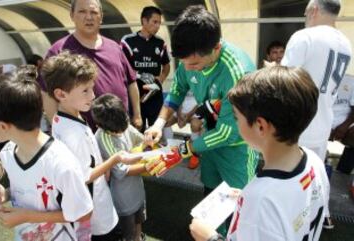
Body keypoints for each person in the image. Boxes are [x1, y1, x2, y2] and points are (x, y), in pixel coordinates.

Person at [190, 66, 329, 241]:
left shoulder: (260, 200)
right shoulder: (314, 161)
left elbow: (268, 205)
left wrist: (209, 237)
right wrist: (246, 197)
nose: (235, 124)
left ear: (260, 126)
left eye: (236, 117)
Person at [145, 4, 257, 211]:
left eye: (195, 65)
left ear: (216, 48)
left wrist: (180, 151)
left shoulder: (237, 73)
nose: (188, 69)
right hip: (207, 141)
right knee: (211, 196)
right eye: (183, 63)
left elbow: (226, 133)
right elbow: (178, 88)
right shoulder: (190, 58)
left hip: (237, 149)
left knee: (238, 208)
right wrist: (159, 124)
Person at [41, 51, 141, 241]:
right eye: (85, 90)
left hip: (92, 206)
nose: (93, 95)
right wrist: (114, 159)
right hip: (96, 213)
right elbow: (82, 177)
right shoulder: (73, 134)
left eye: (92, 88)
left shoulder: (62, 118)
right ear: (61, 94)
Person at [0, 68, 93, 240]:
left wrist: (27, 216)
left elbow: (83, 213)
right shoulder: (8, 153)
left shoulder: (62, 164)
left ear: (3, 126)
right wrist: (6, 194)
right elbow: (28, 190)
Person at [281, 0, 352, 228]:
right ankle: (321, 216)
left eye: (305, 13)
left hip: (297, 123)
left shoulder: (305, 37)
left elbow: (282, 81)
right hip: (322, 121)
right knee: (315, 177)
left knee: (291, 184)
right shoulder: (346, 44)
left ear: (313, 10)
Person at [39, 0, 142, 131]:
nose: (89, 17)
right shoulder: (59, 51)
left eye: (94, 12)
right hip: (81, 137)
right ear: (72, 15)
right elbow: (47, 94)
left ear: (101, 17)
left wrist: (137, 115)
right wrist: (60, 128)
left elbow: (131, 83)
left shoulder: (115, 48)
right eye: (82, 11)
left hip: (120, 131)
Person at [92, 94, 148, 241]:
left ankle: (139, 237)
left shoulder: (121, 123)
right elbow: (123, 171)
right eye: (116, 131)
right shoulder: (103, 138)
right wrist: (148, 166)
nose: (121, 132)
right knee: (128, 230)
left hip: (137, 189)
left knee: (139, 219)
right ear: (100, 126)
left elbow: (141, 139)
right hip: (122, 196)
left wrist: (150, 140)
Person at [121, 6, 170, 132]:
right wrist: (138, 76)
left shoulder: (160, 43)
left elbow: (166, 65)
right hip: (135, 96)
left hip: (155, 96)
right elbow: (122, 67)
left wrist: (160, 80)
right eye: (155, 22)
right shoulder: (128, 41)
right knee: (137, 131)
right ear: (144, 21)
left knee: (157, 131)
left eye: (159, 22)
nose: (158, 26)